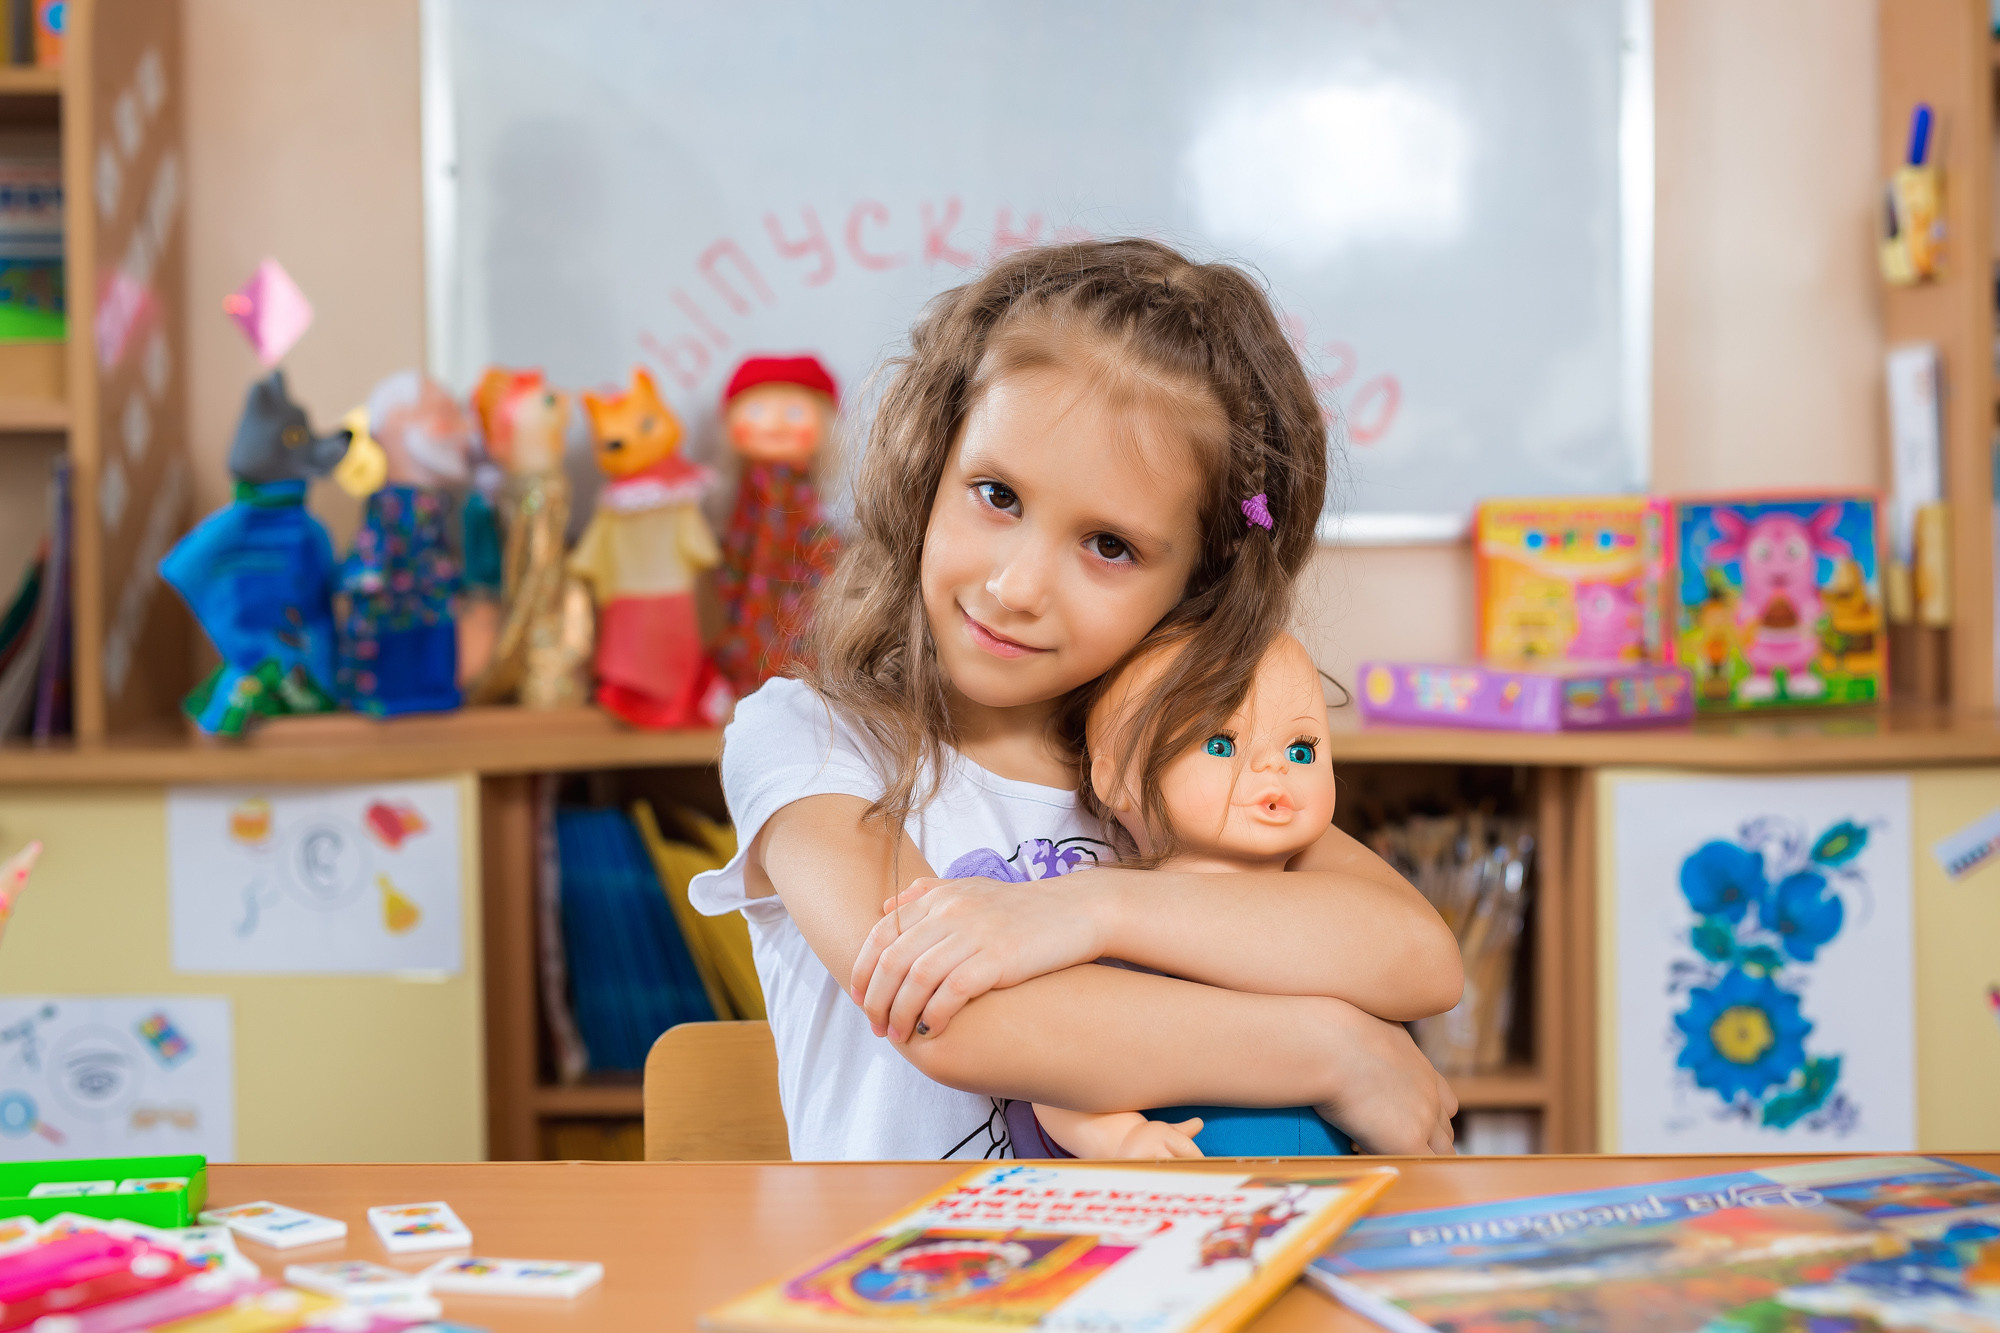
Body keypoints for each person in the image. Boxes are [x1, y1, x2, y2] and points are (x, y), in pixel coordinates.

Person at [690, 239, 1461, 1160]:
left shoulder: (1174, 763)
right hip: (909, 1294)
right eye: (996, 494)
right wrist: (1336, 1051)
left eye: (1108, 545)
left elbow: (1419, 957)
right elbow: (951, 1020)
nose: (1018, 586)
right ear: (929, 464)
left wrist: (1093, 909)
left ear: (1201, 583)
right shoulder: (814, 743)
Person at [1021, 632, 1359, 1159]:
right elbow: (1056, 1064)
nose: (1276, 767)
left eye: (1301, 748)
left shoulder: (1339, 914)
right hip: (1190, 1193)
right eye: (1221, 744)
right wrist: (1121, 1137)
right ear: (1114, 777)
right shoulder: (1121, 923)